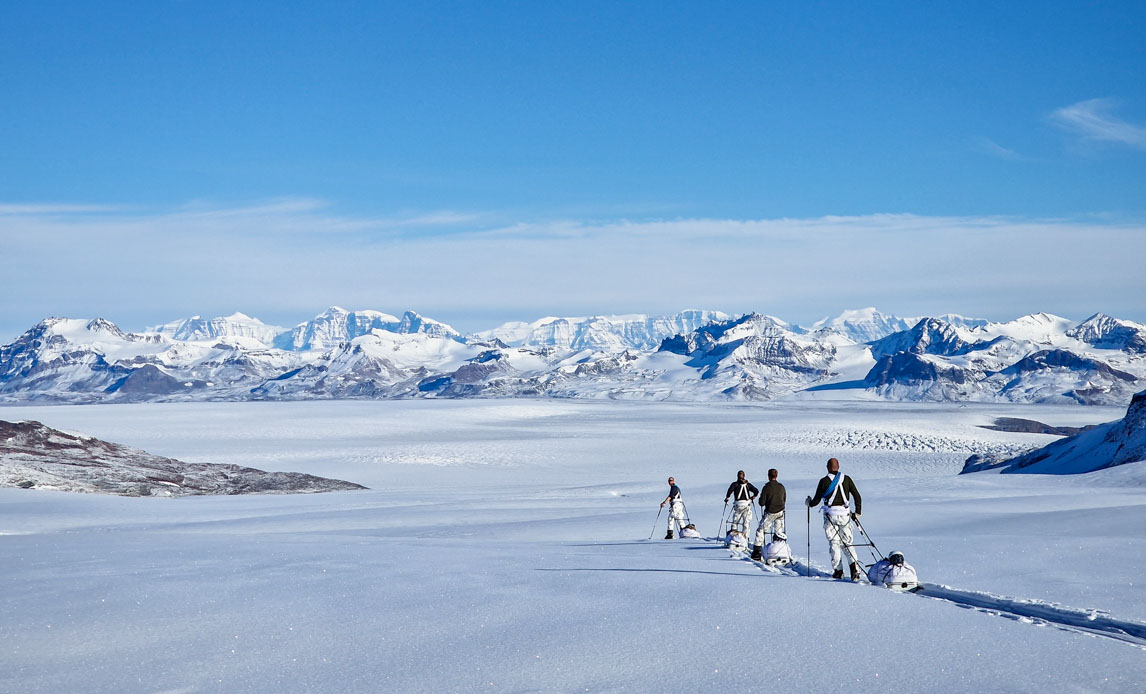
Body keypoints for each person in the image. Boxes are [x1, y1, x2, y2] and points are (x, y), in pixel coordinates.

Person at [804, 457, 863, 580]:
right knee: (847, 543)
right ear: (838, 467)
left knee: (834, 543)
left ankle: (838, 571)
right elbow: (857, 496)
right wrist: (857, 512)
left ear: (827, 467)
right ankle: (855, 569)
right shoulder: (847, 479)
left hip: (830, 515)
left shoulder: (823, 481)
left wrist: (809, 503)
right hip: (845, 516)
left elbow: (816, 500)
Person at [751, 468, 786, 561]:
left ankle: (757, 552)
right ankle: (779, 550)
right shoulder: (781, 486)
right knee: (779, 532)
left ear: (769, 476)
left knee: (761, 530)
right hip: (780, 512)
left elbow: (761, 503)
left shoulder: (766, 487)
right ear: (776, 476)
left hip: (770, 512)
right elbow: (784, 499)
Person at [724, 470, 758, 537]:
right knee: (746, 522)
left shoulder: (734, 484)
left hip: (738, 505)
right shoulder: (748, 484)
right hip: (747, 505)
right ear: (744, 476)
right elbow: (756, 491)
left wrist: (727, 498)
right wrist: (753, 497)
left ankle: (733, 535)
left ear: (737, 476)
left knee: (735, 521)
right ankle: (746, 537)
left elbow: (729, 491)